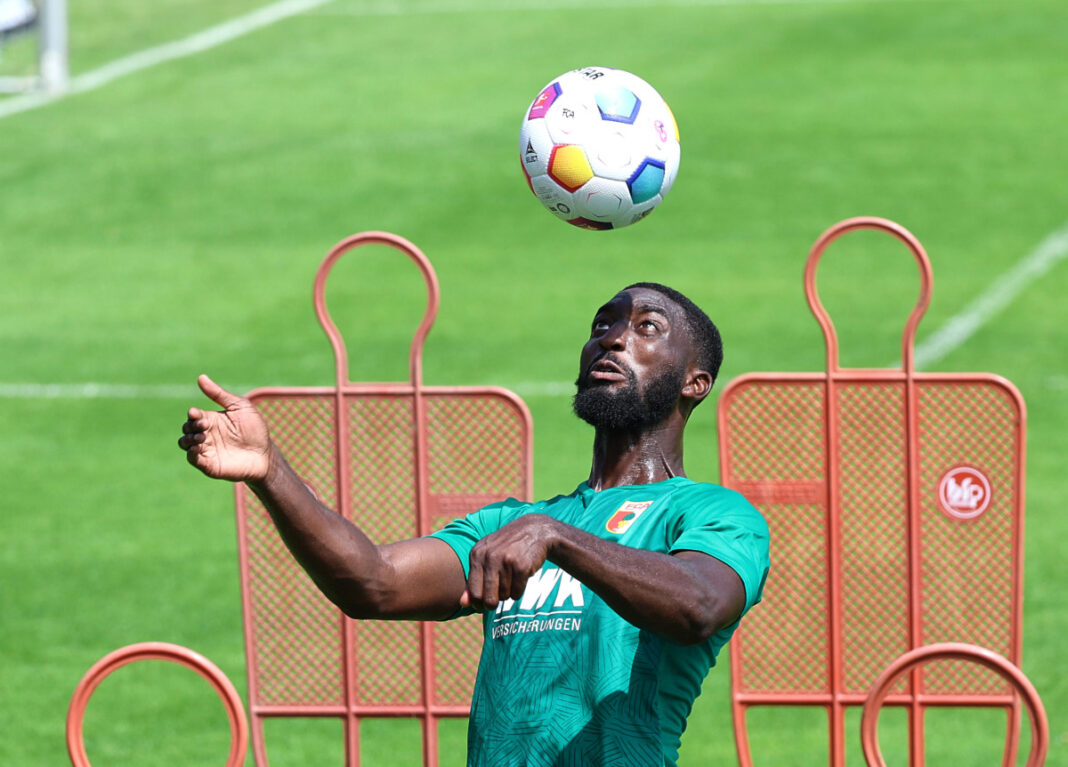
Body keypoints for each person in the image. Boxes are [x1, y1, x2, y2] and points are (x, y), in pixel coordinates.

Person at [179, 281, 770, 767]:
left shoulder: (711, 515)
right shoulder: (510, 523)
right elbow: (373, 583)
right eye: (601, 325)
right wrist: (270, 471)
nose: (611, 339)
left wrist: (558, 539)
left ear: (696, 382)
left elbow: (698, 606)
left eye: (647, 328)